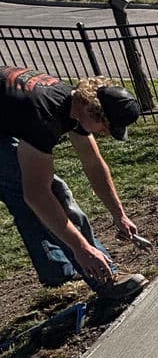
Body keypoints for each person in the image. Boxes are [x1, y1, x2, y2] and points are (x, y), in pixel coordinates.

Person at [0, 67, 147, 302]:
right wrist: (82, 248)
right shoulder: (44, 117)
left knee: (25, 198)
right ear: (92, 111)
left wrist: (119, 214)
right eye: (106, 127)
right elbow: (38, 194)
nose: (105, 133)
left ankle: (57, 271)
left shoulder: (74, 103)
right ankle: (105, 278)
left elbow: (94, 165)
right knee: (52, 194)